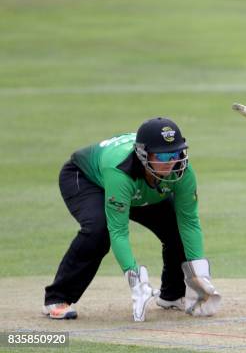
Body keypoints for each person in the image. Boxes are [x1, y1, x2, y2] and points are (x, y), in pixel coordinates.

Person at [43, 117, 221, 321]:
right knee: (98, 231)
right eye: (162, 157)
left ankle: (172, 295)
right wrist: (135, 280)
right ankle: (57, 299)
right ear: (143, 155)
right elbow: (118, 231)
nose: (171, 162)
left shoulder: (182, 172)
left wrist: (199, 275)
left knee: (176, 228)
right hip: (89, 180)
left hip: (143, 188)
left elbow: (189, 222)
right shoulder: (120, 171)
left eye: (176, 153)